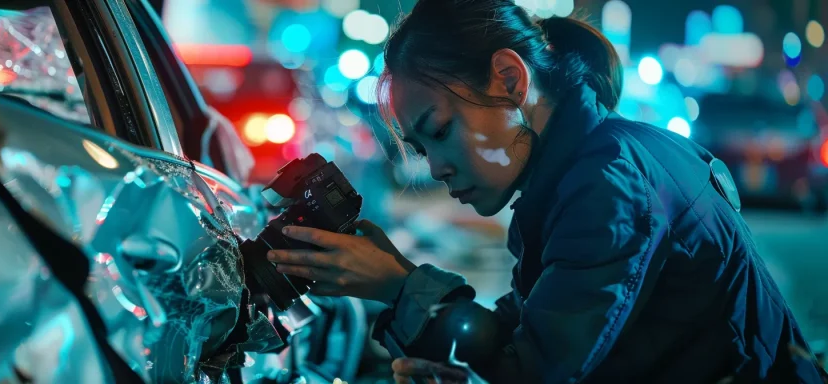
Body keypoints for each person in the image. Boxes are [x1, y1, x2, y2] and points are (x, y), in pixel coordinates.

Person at [264, 0, 828, 383]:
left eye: (439, 132)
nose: (436, 167)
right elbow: (524, 330)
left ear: (510, 81)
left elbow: (535, 369)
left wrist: (397, 286)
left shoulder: (609, 183)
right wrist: (397, 275)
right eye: (420, 147)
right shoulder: (585, 170)